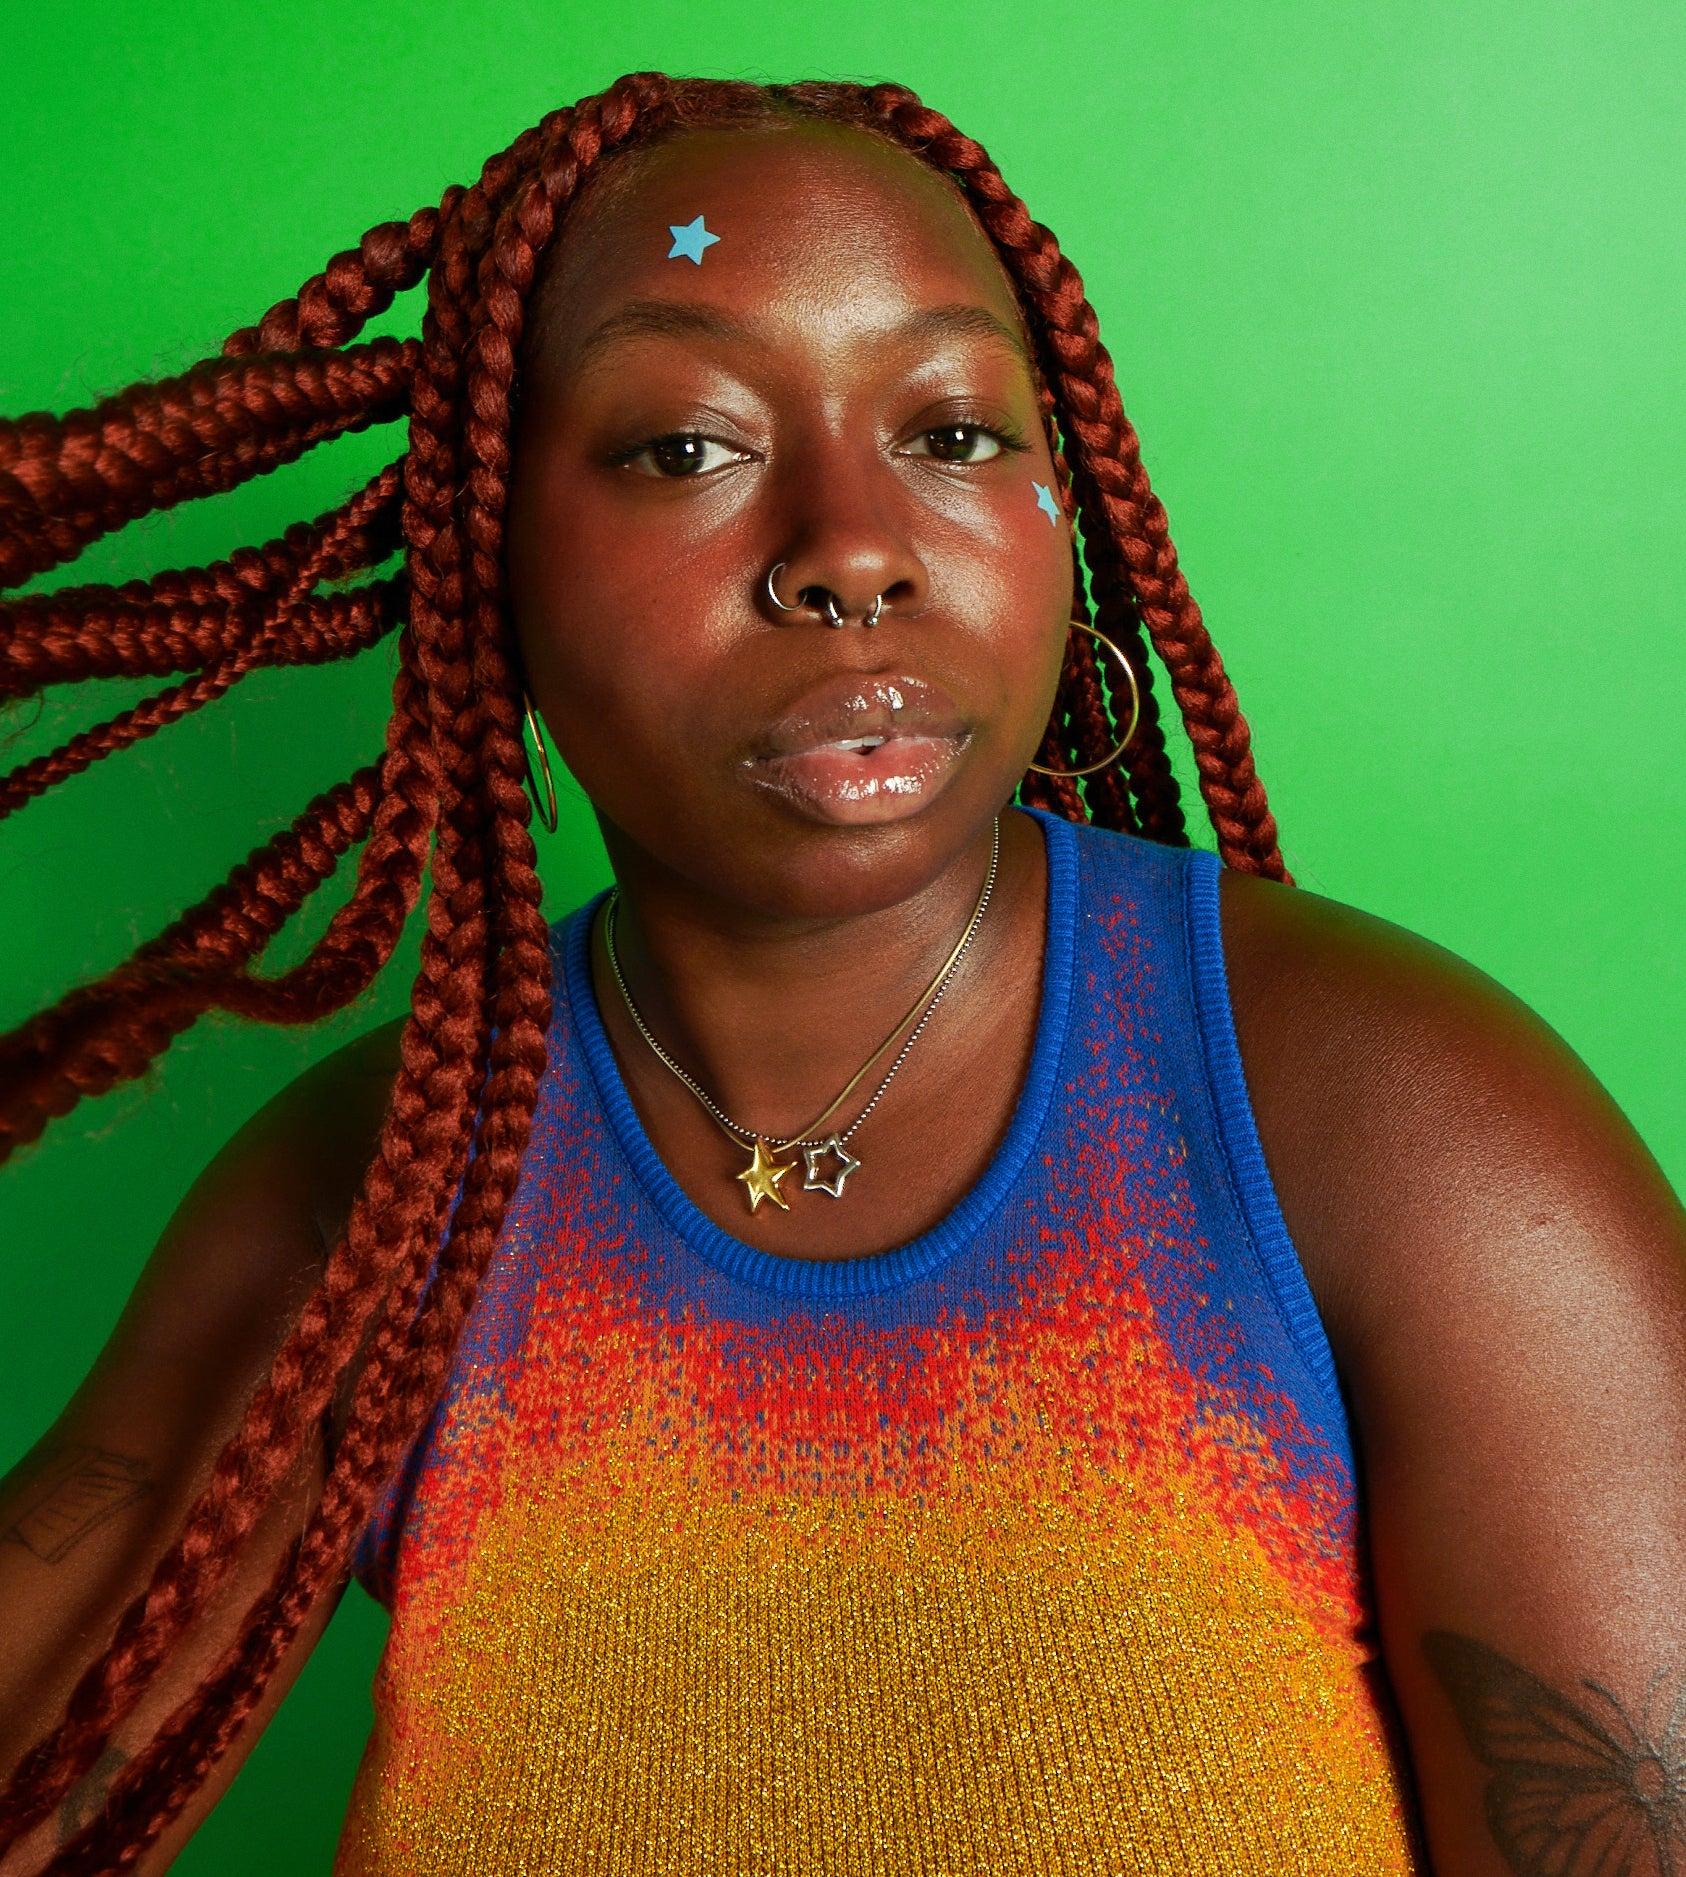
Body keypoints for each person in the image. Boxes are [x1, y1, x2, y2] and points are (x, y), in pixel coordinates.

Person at [1, 71, 1682, 1877]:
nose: (854, 548)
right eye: (684, 445)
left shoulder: (1403, 1125)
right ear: (483, 551)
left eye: (952, 433)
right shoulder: (381, 1196)